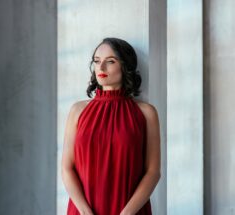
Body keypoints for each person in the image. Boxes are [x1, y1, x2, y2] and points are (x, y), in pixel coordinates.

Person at [61, 37, 161, 215]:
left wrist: (127, 213)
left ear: (125, 66)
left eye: (110, 61)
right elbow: (67, 168)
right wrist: (84, 212)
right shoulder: (77, 111)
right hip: (84, 210)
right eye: (97, 61)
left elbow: (153, 172)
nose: (101, 67)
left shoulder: (146, 113)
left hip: (131, 211)